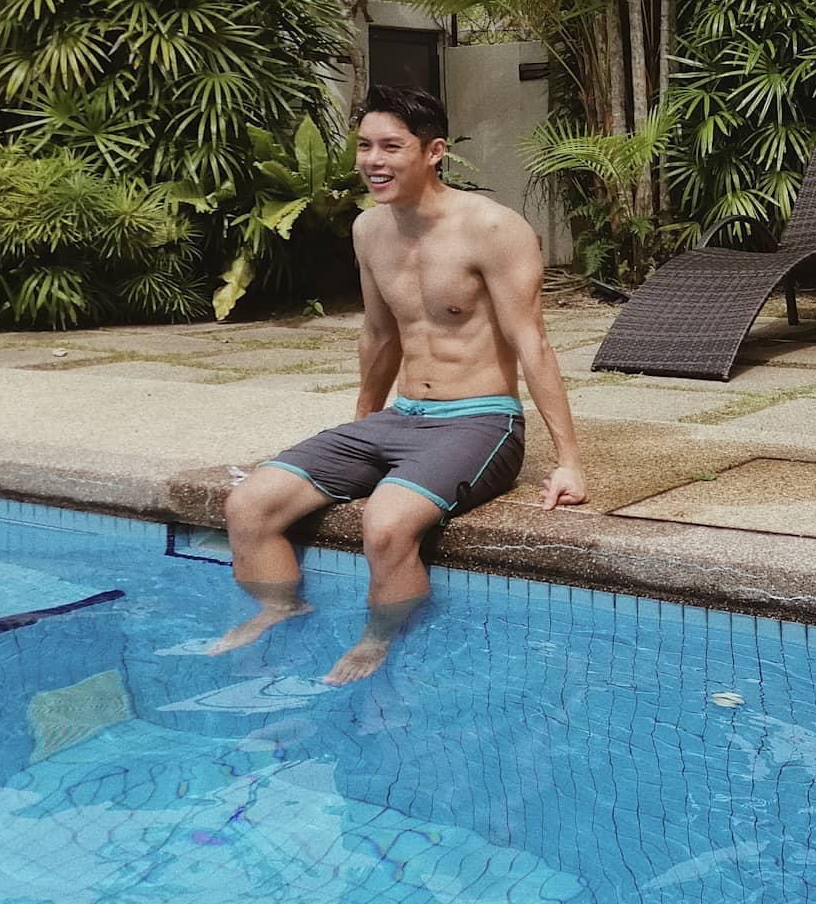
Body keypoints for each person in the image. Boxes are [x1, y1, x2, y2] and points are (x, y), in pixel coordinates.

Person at [211, 85, 589, 684]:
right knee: (249, 505)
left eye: (391, 147)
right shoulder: (369, 229)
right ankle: (279, 609)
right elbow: (380, 334)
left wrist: (569, 462)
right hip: (401, 416)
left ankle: (378, 640)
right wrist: (364, 420)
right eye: (364, 146)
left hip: (479, 420)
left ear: (434, 152)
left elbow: (532, 342)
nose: (373, 160)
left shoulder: (494, 228)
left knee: (385, 527)